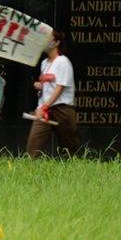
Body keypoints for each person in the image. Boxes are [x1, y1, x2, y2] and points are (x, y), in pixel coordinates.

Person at [26, 30, 80, 158]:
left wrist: (44, 106)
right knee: (33, 146)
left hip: (62, 109)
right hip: (45, 110)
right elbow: (49, 87)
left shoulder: (63, 61)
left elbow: (59, 88)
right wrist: (40, 87)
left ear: (56, 42)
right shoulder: (44, 63)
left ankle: (74, 171)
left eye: (48, 39)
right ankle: (28, 170)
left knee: (69, 149)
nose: (44, 42)